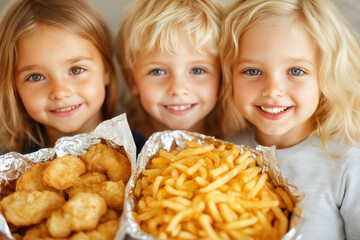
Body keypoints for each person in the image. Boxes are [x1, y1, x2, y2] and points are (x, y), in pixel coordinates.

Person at [220, 0, 360, 239]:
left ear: (325, 76)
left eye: (296, 71)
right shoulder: (223, 157)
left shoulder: (347, 165)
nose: (273, 90)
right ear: (230, 76)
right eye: (252, 71)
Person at [0, 0, 118, 154]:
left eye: (76, 70)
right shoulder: (8, 168)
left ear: (106, 70)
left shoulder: (145, 156)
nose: (60, 92)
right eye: (36, 77)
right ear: (15, 87)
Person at [115, 0, 224, 141]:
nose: (178, 89)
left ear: (223, 76)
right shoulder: (120, 145)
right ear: (131, 81)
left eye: (197, 70)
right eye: (157, 72)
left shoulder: (238, 142)